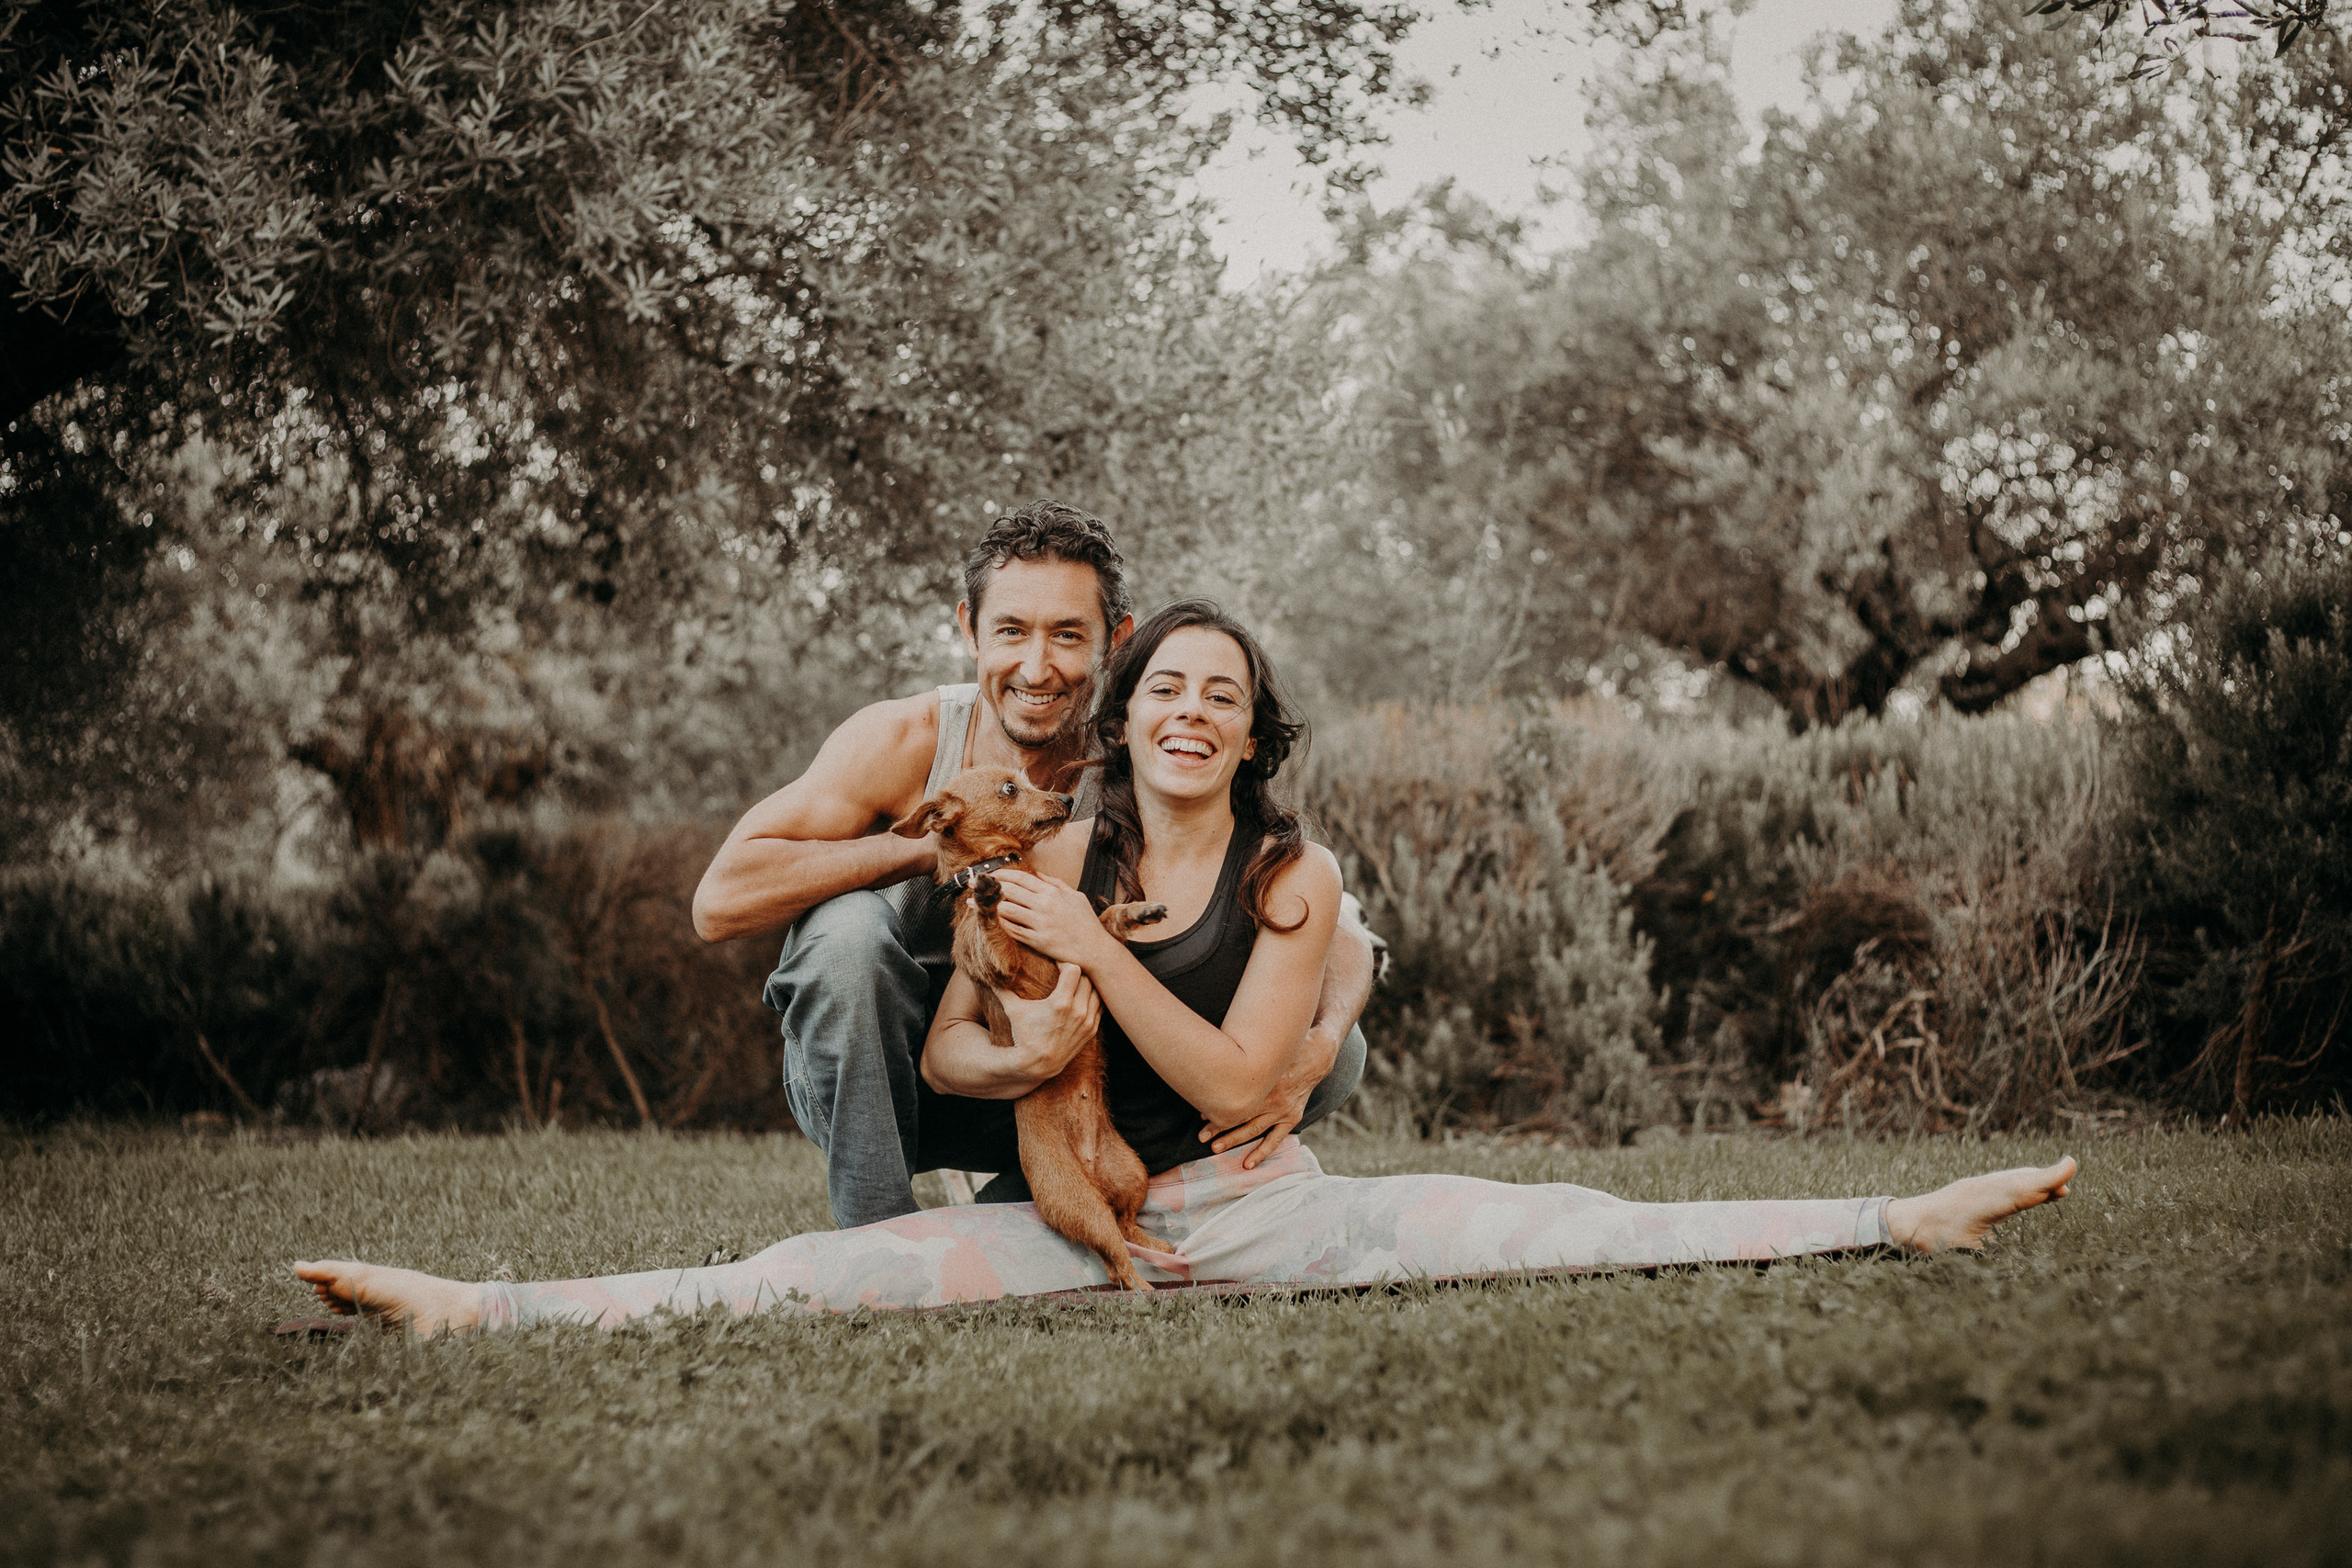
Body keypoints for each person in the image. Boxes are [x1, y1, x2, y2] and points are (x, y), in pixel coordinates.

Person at [293, 601, 2077, 1335]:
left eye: (1221, 693)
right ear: (1130, 717)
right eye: (1164, 686)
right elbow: (963, 1052)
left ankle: (1895, 1215)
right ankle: (478, 1307)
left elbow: (1236, 1084)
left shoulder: (1298, 878)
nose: (1189, 708)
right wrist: (1020, 1053)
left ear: (1247, 730)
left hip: (1272, 1216)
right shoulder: (1062, 851)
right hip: (1087, 1228)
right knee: (808, 1275)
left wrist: (1097, 961)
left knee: (1567, 1220)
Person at [689, 501, 1375, 1228]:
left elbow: (1330, 925)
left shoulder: (1138, 760)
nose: (1037, 666)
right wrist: (936, 845)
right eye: (1011, 631)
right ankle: (878, 1230)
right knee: (849, 934)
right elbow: (719, 902)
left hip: (1052, 1072)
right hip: (886, 1078)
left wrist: (1324, 1039)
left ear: (1115, 641)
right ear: (970, 629)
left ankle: (1034, 1208)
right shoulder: (905, 740)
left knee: (1339, 1051)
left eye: (1068, 635)